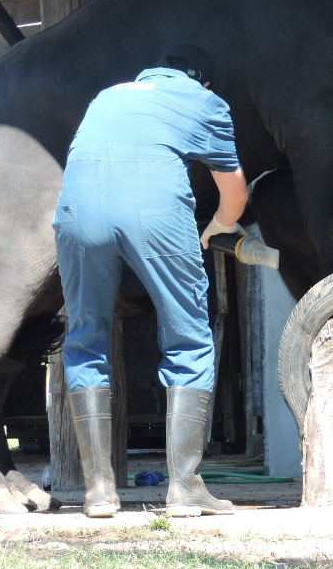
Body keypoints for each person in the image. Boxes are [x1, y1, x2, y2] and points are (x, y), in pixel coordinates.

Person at [53, 44, 248, 518]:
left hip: (77, 212)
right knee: (188, 338)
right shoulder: (205, 101)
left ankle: (99, 491)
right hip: (154, 212)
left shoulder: (109, 96)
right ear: (202, 81)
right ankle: (184, 487)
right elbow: (234, 191)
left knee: (84, 339)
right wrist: (218, 225)